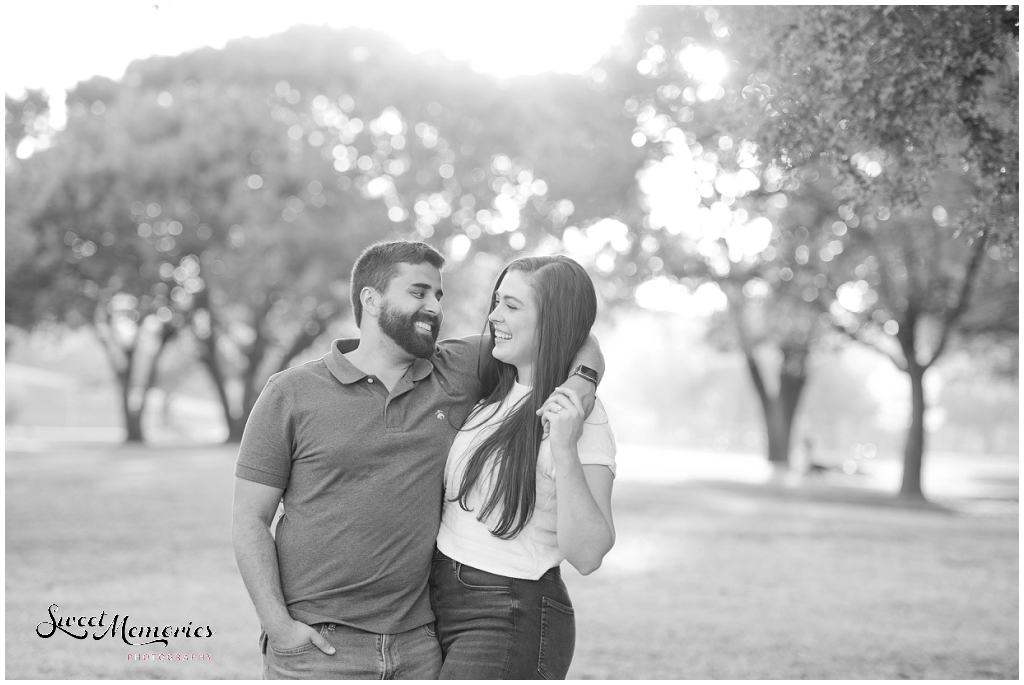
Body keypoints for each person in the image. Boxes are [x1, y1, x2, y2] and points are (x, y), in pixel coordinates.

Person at [231, 241, 603, 680]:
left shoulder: (458, 368)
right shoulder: (290, 392)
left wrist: (581, 384)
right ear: (371, 299)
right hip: (320, 646)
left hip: (421, 646)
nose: (433, 307)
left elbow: (570, 333)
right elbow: (250, 520)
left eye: (438, 296)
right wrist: (279, 628)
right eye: (418, 292)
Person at [430, 256, 616, 679]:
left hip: (510, 611)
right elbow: (588, 343)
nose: (494, 315)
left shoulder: (584, 417)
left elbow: (588, 555)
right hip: (440, 599)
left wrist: (565, 449)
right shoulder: (491, 386)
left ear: (552, 321)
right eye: (497, 302)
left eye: (512, 306)